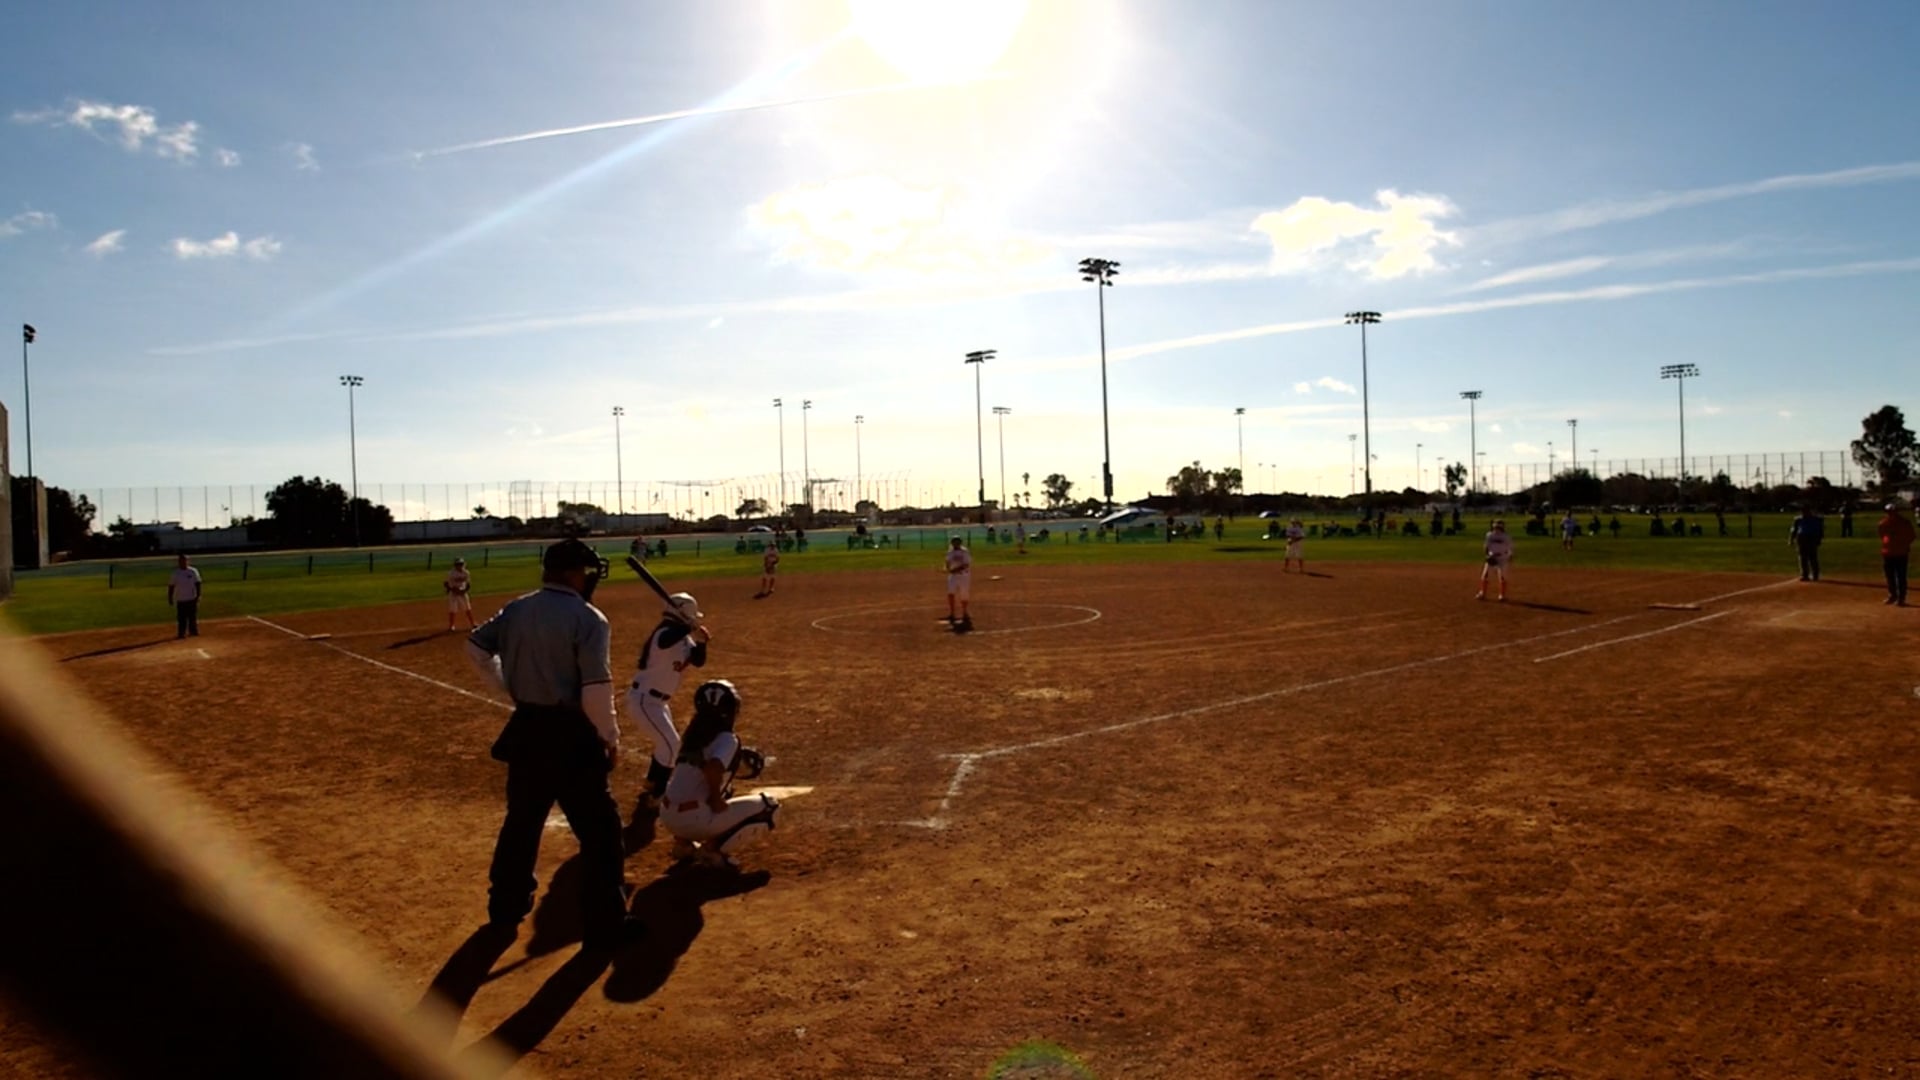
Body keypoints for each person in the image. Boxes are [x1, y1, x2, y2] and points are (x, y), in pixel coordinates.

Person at [463, 539, 639, 950]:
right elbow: (596, 689)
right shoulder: (588, 618)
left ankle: (505, 907)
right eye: (586, 571)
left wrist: (507, 684)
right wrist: (609, 737)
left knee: (521, 823)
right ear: (573, 573)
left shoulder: (517, 608)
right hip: (572, 735)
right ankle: (607, 920)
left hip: (527, 729)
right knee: (600, 832)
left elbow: (475, 647)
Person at [659, 680, 780, 871]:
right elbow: (713, 769)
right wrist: (716, 799)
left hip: (667, 816)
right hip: (693, 820)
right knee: (770, 806)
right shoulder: (727, 739)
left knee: (711, 789)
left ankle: (682, 845)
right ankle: (711, 850)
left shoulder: (691, 735)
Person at [623, 592, 710, 846]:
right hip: (644, 700)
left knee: (667, 745)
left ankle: (652, 784)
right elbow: (665, 641)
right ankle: (657, 796)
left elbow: (698, 661)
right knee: (671, 746)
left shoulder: (683, 638)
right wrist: (689, 627)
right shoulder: (664, 633)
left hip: (658, 703)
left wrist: (702, 642)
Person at [1878, 502, 1913, 606]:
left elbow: (1911, 536)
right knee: (1890, 576)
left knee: (1901, 576)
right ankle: (1892, 595)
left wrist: (1902, 544)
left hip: (1901, 553)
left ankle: (1901, 598)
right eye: (1889, 511)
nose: (1891, 513)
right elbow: (1882, 536)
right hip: (1888, 552)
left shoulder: (1904, 522)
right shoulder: (1883, 523)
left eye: (1892, 511)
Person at [167, 554, 203, 639]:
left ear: (188, 561)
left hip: (192, 597)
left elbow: (198, 583)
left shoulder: (193, 571)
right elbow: (171, 586)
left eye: (185, 560)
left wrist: (199, 595)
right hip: (181, 599)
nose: (183, 562)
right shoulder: (176, 573)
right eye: (181, 561)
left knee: (192, 616)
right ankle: (181, 633)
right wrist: (170, 597)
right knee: (181, 617)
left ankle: (193, 631)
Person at [1478, 518, 1514, 601]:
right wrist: (1487, 555)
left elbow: (1510, 547)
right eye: (1495, 526)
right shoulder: (1489, 535)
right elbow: (1486, 546)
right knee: (1485, 575)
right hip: (1492, 557)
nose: (1496, 528)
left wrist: (1510, 556)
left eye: (1498, 527)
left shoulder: (1506, 536)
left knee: (1502, 577)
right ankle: (1482, 593)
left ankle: (1502, 595)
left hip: (1502, 557)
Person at [1789, 506, 1825, 582]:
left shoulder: (1816, 519)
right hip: (1802, 537)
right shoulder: (1798, 519)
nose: (1804, 513)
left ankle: (1815, 574)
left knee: (1813, 557)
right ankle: (1804, 574)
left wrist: (1819, 539)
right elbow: (1794, 530)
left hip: (1812, 538)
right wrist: (1791, 539)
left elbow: (1820, 530)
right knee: (1803, 557)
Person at [945, 535, 973, 629]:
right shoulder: (950, 552)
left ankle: (965, 612)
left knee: (964, 595)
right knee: (950, 593)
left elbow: (966, 564)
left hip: (964, 576)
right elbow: (947, 562)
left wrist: (955, 570)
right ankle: (952, 613)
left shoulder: (965, 551)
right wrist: (948, 568)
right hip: (953, 576)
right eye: (954, 542)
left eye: (957, 542)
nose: (955, 544)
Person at [444, 557, 476, 632]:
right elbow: (446, 583)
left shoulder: (466, 573)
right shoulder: (451, 573)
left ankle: (473, 624)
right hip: (453, 593)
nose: (460, 566)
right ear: (455, 565)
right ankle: (451, 626)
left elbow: (468, 584)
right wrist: (453, 590)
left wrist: (464, 590)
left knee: (468, 608)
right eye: (458, 564)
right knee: (453, 609)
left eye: (461, 564)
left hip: (463, 593)